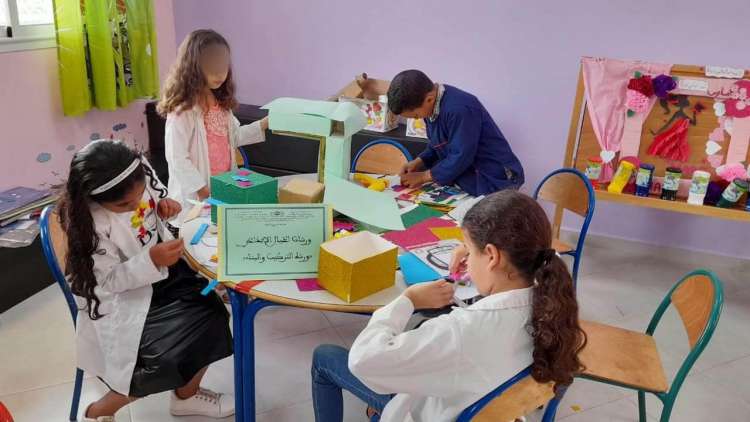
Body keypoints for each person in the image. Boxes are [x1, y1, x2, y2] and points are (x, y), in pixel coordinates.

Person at [310, 190, 585, 421]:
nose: (466, 258)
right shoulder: (551, 301)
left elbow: (363, 361)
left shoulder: (460, 331)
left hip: (436, 409)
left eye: (469, 249)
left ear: (492, 256)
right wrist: (475, 251)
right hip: (487, 399)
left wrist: (407, 300)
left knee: (325, 357)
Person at [58, 140, 234, 421]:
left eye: (139, 196)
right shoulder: (91, 225)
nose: (135, 205)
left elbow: (155, 192)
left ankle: (186, 396)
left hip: (161, 275)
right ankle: (98, 411)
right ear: (93, 199)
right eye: (124, 205)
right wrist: (150, 260)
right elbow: (108, 280)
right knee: (165, 354)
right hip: (123, 297)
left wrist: (163, 204)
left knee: (214, 315)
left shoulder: (137, 174)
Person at [158, 29, 268, 224]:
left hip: (223, 188)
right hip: (197, 197)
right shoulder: (183, 111)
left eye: (223, 65)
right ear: (193, 66)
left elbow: (234, 137)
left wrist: (263, 124)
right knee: (199, 234)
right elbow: (177, 158)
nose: (219, 73)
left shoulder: (222, 104)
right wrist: (202, 190)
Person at [387, 69, 524, 196]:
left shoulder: (459, 109)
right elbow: (438, 144)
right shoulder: (431, 106)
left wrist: (423, 176)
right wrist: (418, 162)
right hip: (468, 176)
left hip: (494, 179)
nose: (418, 119)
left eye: (416, 116)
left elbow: (461, 155)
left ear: (429, 99)